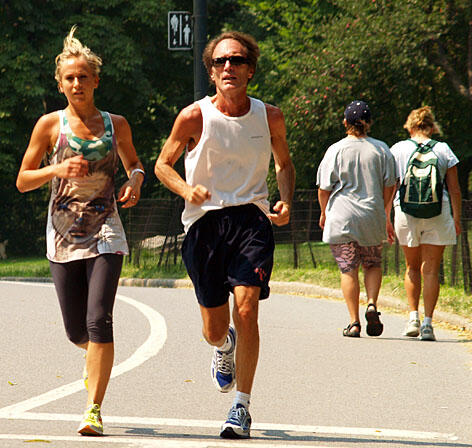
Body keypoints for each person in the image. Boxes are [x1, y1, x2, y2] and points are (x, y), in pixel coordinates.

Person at [155, 31, 295, 439]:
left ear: (250, 69)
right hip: (204, 225)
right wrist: (186, 190)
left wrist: (283, 200)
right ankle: (223, 348)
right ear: (211, 72)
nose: (227, 67)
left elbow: (284, 164)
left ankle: (242, 407)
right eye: (219, 62)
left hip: (252, 220)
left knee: (248, 309)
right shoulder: (193, 116)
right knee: (214, 329)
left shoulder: (270, 116)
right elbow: (163, 164)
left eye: (235, 60)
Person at [16, 26, 145, 436]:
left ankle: (93, 409)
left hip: (106, 227)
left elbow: (135, 165)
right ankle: (96, 361)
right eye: (70, 78)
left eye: (84, 77)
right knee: (76, 330)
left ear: (95, 81)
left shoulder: (116, 124)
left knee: (98, 320)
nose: (77, 83)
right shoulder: (49, 126)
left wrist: (135, 182)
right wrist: (56, 168)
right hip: (62, 233)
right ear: (60, 84)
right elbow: (22, 179)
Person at [317, 100, 396, 338]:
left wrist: (323, 212)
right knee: (372, 262)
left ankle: (353, 322)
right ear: (369, 123)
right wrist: (382, 211)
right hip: (371, 214)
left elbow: (324, 187)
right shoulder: (381, 149)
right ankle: (371, 304)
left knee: (348, 269)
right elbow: (390, 185)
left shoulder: (336, 150)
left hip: (342, 216)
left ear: (345, 123)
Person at [389, 106, 461, 341]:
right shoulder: (443, 149)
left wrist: (386, 215)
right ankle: (429, 324)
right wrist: (456, 218)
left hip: (406, 212)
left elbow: (390, 185)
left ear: (409, 127)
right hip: (438, 212)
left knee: (411, 267)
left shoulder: (398, 149)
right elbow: (454, 188)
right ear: (431, 127)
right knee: (430, 269)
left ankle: (412, 318)